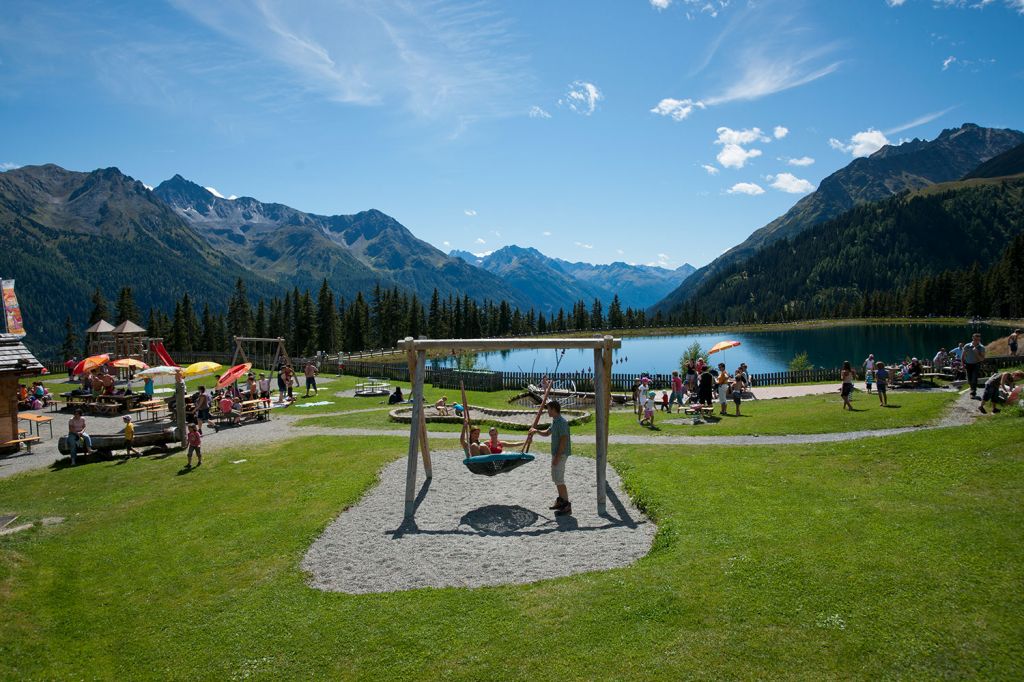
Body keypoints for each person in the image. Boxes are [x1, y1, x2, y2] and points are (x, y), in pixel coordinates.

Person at [529, 400, 572, 517]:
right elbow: (547, 433)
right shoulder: (555, 421)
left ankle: (566, 505)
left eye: (548, 409)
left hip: (561, 454)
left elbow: (563, 441)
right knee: (556, 478)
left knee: (559, 479)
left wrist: (557, 457)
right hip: (557, 454)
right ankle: (561, 501)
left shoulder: (562, 422)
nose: (547, 411)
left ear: (553, 409)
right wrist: (536, 431)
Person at [962, 333, 986, 400]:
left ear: (979, 339)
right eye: (975, 339)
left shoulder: (981, 347)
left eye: (978, 339)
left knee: (974, 378)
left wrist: (976, 352)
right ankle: (972, 388)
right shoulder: (967, 346)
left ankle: (973, 393)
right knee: (969, 379)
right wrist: (962, 364)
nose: (976, 341)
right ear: (972, 338)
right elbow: (963, 355)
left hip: (976, 364)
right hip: (968, 364)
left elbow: (982, 359)